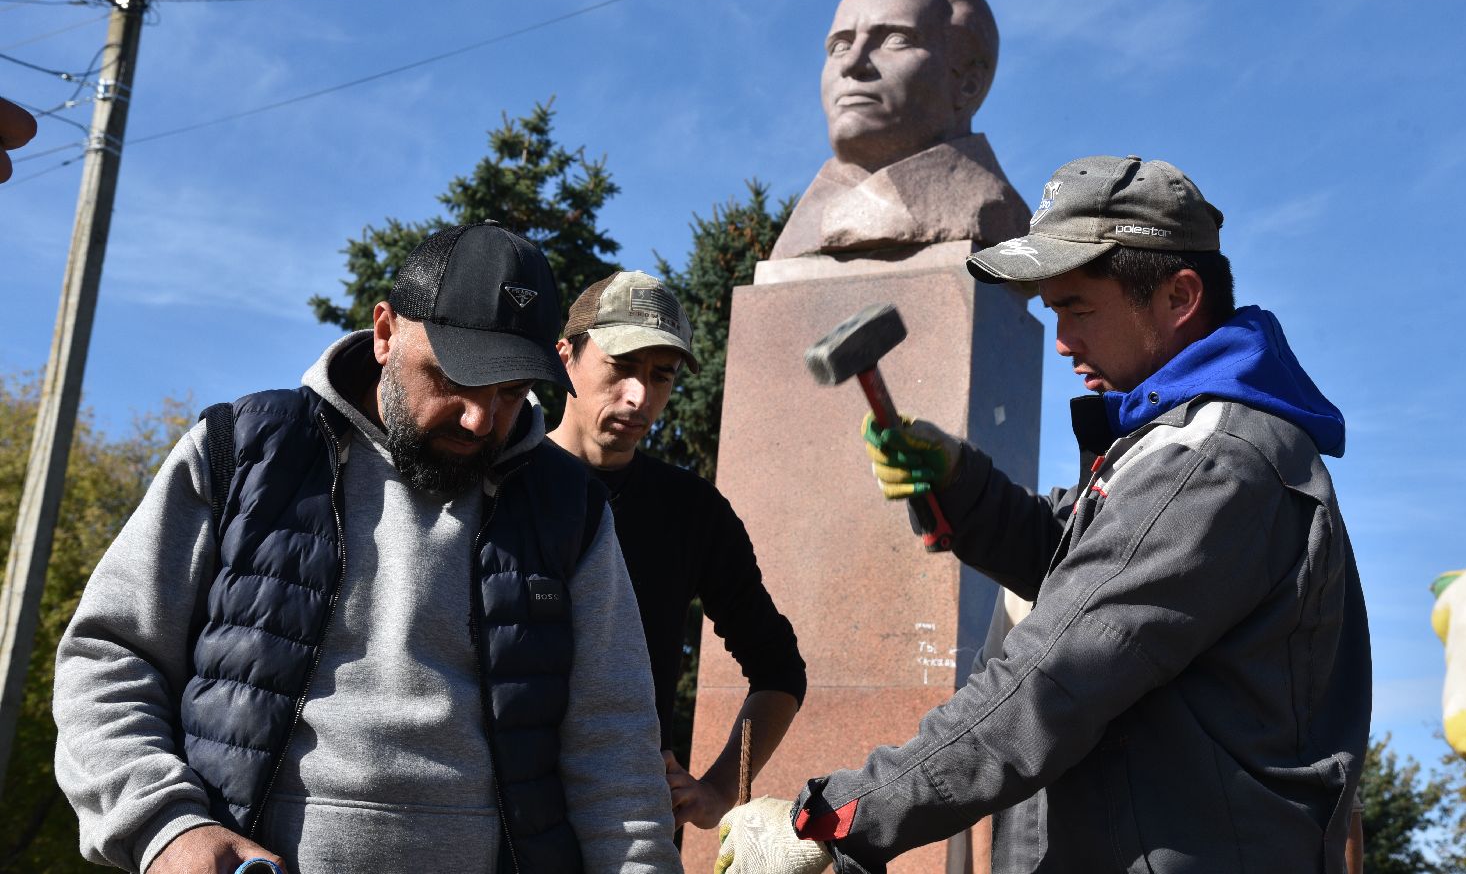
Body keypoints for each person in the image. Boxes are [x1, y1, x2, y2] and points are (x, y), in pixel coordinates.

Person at [717, 155, 1371, 873]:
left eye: (1077, 308)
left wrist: (832, 821)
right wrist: (960, 482)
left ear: (1179, 296)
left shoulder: (1214, 462)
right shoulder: (1167, 448)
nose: (1061, 340)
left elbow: (1054, 673)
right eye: (1053, 310)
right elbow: (1076, 562)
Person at [54, 222, 681, 874]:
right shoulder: (243, 452)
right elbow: (108, 659)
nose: (479, 419)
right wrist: (164, 827)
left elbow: (615, 747)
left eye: (509, 392)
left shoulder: (570, 508)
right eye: (454, 378)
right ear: (385, 333)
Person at [547, 270, 807, 832]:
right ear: (566, 356)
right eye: (621, 367)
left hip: (630, 830)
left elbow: (779, 668)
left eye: (660, 375)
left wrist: (721, 790)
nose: (639, 396)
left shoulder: (692, 510)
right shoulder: (499, 483)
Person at [769, 0, 1029, 259]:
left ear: (967, 83)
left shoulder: (993, 210)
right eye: (840, 46)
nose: (852, 64)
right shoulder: (806, 223)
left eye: (896, 39)